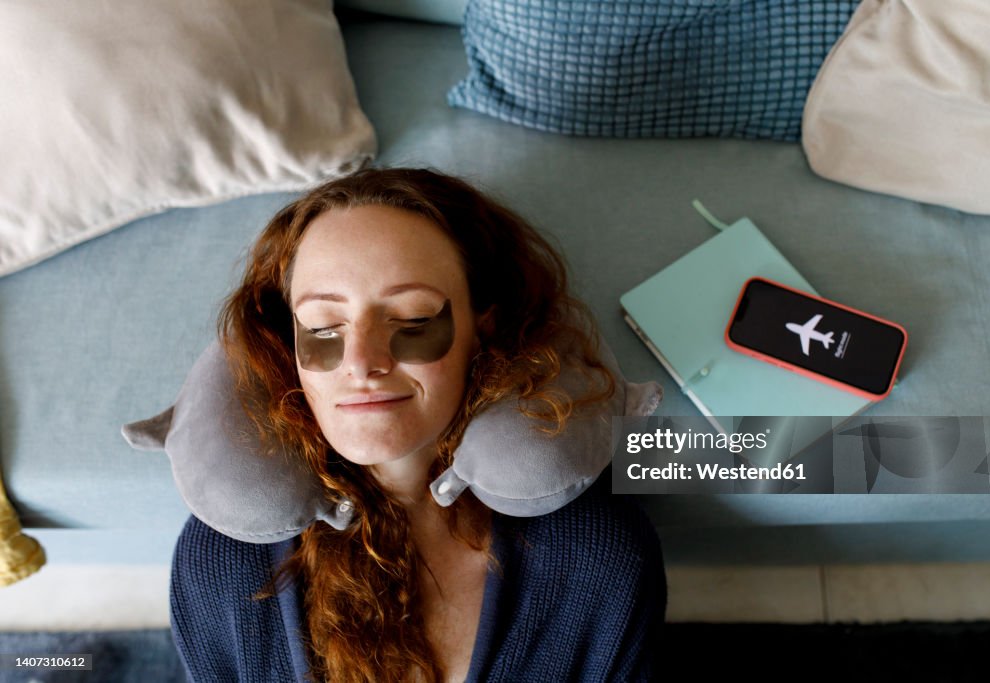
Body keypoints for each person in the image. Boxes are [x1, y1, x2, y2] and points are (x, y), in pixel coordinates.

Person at [170, 167, 666, 682]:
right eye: (323, 325)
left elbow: (717, 459)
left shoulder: (600, 555)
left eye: (412, 319)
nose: (361, 363)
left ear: (483, 327)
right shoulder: (221, 562)